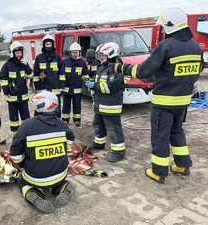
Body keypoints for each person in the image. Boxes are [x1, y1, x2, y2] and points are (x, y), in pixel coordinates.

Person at [110, 8, 204, 183]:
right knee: (177, 131)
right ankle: (183, 165)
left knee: (160, 135)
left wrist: (124, 68)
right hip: (183, 101)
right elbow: (197, 71)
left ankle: (159, 172)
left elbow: (144, 71)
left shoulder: (166, 46)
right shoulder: (195, 46)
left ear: (170, 24)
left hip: (164, 102)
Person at [10, 91, 75, 213]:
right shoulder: (63, 125)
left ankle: (32, 192)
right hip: (60, 174)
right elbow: (69, 144)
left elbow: (16, 156)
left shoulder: (26, 126)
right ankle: (63, 188)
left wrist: (23, 164)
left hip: (35, 177)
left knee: (22, 180)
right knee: (59, 182)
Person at [85, 42, 126, 162]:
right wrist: (92, 82)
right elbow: (100, 82)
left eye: (103, 55)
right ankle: (99, 143)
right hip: (100, 104)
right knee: (98, 124)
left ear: (111, 54)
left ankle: (119, 152)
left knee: (114, 129)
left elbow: (109, 87)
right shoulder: (103, 66)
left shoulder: (116, 68)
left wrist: (94, 85)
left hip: (110, 105)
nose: (100, 57)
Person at [0, 41, 32, 133]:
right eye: (17, 52)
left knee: (26, 116)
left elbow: (30, 75)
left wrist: (27, 66)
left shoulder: (23, 64)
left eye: (20, 52)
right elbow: (3, 78)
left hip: (23, 97)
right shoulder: (7, 65)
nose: (19, 54)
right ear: (13, 53)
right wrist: (7, 92)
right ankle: (15, 132)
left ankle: (27, 131)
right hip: (12, 97)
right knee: (14, 118)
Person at [33, 34, 64, 117]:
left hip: (55, 88)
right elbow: (35, 74)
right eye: (47, 44)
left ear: (53, 45)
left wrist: (61, 86)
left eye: (50, 44)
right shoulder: (39, 58)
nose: (48, 46)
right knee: (42, 107)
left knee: (55, 107)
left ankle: (56, 124)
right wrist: (37, 87)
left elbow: (62, 73)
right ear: (44, 45)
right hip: (42, 88)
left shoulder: (58, 57)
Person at [61, 42, 89, 127]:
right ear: (70, 53)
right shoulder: (65, 62)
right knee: (66, 106)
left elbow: (85, 73)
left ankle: (77, 120)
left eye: (76, 52)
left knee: (77, 106)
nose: (75, 54)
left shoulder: (82, 62)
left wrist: (86, 78)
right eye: (73, 52)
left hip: (77, 89)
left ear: (79, 52)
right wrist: (62, 86)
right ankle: (65, 120)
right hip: (67, 89)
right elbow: (61, 75)